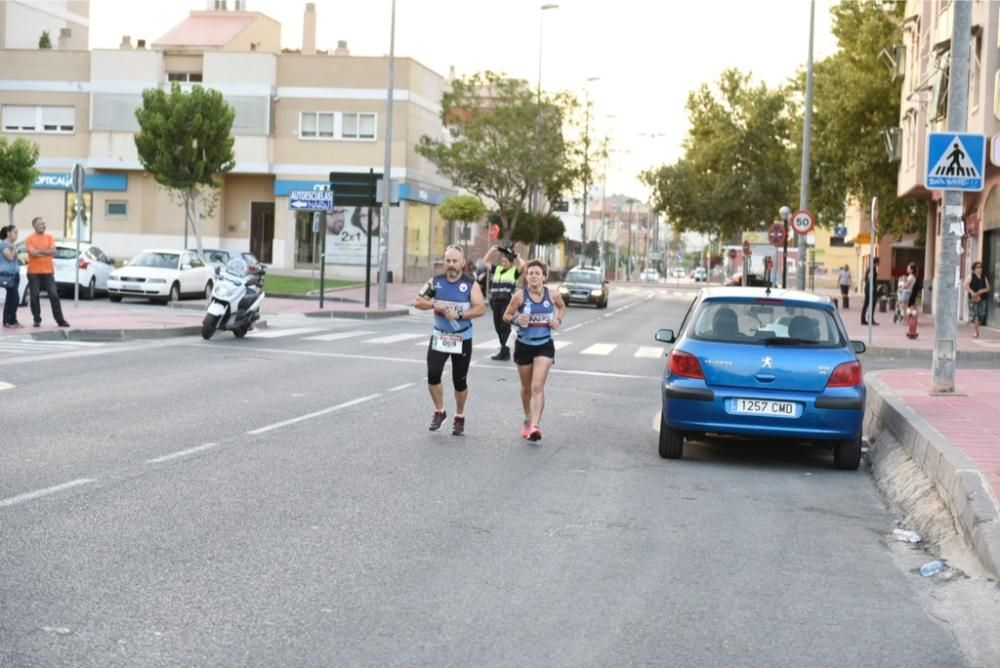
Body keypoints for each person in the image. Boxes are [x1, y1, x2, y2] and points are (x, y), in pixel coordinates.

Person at [414, 245, 486, 435]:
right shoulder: (435, 282)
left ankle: (459, 416)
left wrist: (459, 314)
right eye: (448, 261)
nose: (451, 265)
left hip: (462, 337)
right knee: (433, 374)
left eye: (455, 261)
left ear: (462, 263)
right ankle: (439, 411)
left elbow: (480, 308)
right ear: (444, 262)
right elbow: (418, 301)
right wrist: (433, 303)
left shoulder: (470, 284)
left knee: (459, 381)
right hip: (440, 336)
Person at [503, 259, 566, 442]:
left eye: (537, 273)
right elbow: (506, 315)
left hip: (544, 344)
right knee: (526, 387)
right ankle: (528, 417)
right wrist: (516, 320)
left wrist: (557, 320)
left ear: (544, 277)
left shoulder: (552, 295)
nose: (533, 276)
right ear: (526, 276)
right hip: (523, 344)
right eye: (530, 273)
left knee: (537, 386)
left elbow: (562, 308)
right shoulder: (519, 297)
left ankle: (535, 426)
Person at [481, 244, 526, 360]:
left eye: (506, 262)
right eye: (503, 261)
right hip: (495, 302)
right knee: (498, 328)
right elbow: (484, 262)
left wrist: (517, 257)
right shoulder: (497, 269)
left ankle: (504, 352)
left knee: (505, 327)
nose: (504, 263)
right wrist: (491, 250)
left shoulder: (514, 272)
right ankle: (504, 349)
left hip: (507, 303)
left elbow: (524, 265)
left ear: (511, 263)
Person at [24, 217, 69, 328]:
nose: (43, 225)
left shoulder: (49, 237)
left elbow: (53, 251)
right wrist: (46, 252)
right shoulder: (29, 238)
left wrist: (39, 251)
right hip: (34, 272)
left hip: (48, 271)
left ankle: (60, 320)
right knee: (34, 296)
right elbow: (32, 253)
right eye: (41, 224)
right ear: (35, 226)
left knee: (54, 295)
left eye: (44, 223)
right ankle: (37, 319)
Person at [1, 225, 23, 328]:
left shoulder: (12, 244)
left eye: (17, 232)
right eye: (15, 232)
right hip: (7, 275)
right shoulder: (4, 244)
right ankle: (11, 320)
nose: (16, 235)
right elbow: (10, 257)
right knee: (15, 298)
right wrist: (14, 248)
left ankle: (7, 321)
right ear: (8, 233)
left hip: (15, 274)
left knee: (10, 298)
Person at [965, 260, 991, 338]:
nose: (980, 269)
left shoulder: (984, 277)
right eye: (978, 267)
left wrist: (982, 290)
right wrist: (972, 292)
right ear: (974, 268)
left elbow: (988, 288)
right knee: (975, 315)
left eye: (981, 267)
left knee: (982, 315)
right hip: (973, 298)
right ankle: (975, 332)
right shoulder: (971, 275)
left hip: (983, 298)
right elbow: (965, 285)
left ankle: (976, 329)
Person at [861, 256, 880, 326]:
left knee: (866, 304)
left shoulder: (869, 267)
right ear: (877, 262)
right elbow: (869, 277)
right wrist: (872, 287)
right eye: (879, 262)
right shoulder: (873, 268)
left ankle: (863, 319)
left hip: (867, 287)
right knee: (872, 304)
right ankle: (871, 319)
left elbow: (866, 277)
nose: (879, 263)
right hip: (870, 288)